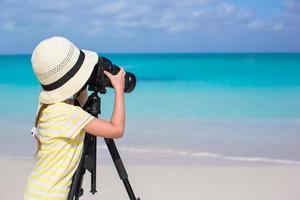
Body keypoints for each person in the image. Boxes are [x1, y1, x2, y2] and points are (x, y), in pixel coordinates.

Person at [23, 36, 126, 199]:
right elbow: (117, 129)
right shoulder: (70, 115)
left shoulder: (48, 107)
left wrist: (80, 84)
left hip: (36, 190)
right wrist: (119, 89)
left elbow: (82, 107)